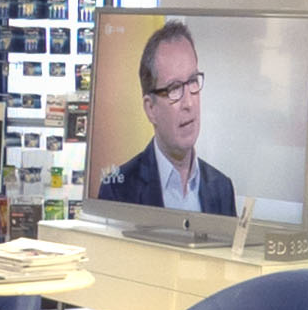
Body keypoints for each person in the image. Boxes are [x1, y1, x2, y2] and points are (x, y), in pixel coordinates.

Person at [85, 22, 241, 216]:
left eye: (193, 81)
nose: (189, 103)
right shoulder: (118, 191)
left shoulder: (222, 188)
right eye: (174, 88)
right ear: (151, 108)